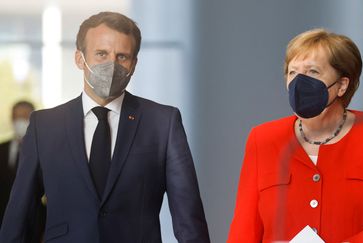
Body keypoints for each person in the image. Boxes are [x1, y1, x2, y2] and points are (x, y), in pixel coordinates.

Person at [0, 12, 210, 243]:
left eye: (122, 56)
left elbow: (188, 218)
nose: (112, 64)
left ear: (134, 64)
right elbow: (20, 215)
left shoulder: (163, 123)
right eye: (101, 54)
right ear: (80, 59)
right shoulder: (44, 126)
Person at [227, 28, 363, 242]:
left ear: (342, 85)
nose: (298, 83)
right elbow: (244, 230)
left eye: (313, 72)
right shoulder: (263, 138)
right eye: (292, 72)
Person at [0, 101, 35, 226]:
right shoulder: (2, 149)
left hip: (32, 225)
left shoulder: (44, 150)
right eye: (17, 117)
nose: (20, 121)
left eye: (25, 116)